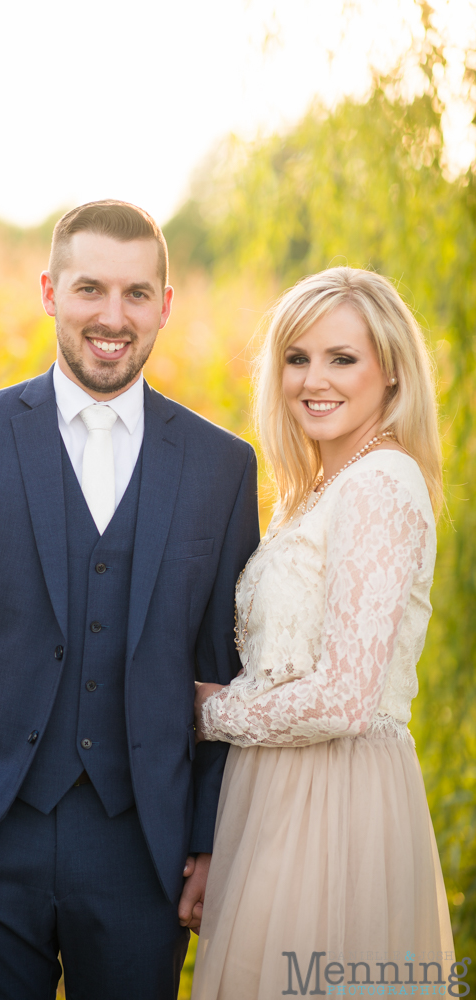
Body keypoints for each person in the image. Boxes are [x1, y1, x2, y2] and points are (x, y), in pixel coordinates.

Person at [0, 200, 259, 1000]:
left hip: (142, 849)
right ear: (49, 291)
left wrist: (210, 839)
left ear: (164, 305)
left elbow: (226, 673)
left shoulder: (222, 468)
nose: (112, 317)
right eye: (90, 289)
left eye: (136, 294)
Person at [192, 267, 454, 999]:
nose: (314, 379)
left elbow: (343, 698)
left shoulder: (378, 485)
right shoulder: (314, 492)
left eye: (342, 358)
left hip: (333, 798)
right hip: (276, 789)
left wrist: (204, 712)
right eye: (296, 357)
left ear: (391, 371)